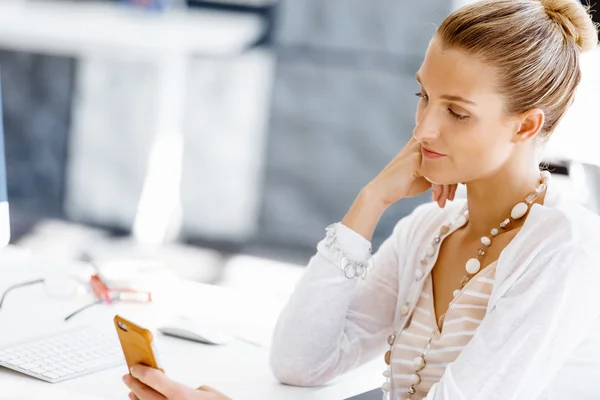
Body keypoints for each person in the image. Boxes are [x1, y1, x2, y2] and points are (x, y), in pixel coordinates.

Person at [121, 0, 600, 399]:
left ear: (525, 125)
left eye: (456, 111)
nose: (423, 128)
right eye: (424, 96)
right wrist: (370, 202)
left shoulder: (564, 249)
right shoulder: (428, 232)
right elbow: (301, 363)